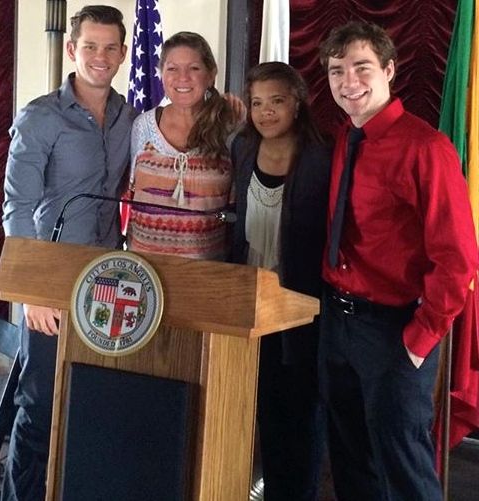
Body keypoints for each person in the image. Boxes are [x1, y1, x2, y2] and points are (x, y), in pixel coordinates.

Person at [318, 20, 478, 501]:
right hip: (337, 321)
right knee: (349, 461)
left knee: (404, 466)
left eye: (362, 68)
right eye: (336, 70)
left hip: (394, 331)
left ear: (389, 69)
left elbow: (458, 260)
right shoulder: (347, 136)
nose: (349, 83)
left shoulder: (426, 148)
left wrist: (420, 338)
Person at [1, 6, 136, 500]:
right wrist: (31, 292)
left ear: (123, 53)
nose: (100, 57)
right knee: (39, 407)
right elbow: (17, 208)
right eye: (91, 46)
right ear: (71, 49)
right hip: (50, 282)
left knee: (89, 400)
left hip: (108, 279)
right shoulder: (41, 117)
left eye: (110, 47)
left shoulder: (131, 117)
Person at [231, 62, 331, 500]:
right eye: (256, 103)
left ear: (297, 102)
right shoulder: (241, 148)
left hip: (300, 307)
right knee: (261, 410)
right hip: (248, 304)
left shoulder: (323, 154)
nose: (265, 112)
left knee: (300, 415)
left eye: (276, 101)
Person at [127, 31, 239, 260]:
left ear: (211, 75)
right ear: (161, 75)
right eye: (172, 68)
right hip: (144, 271)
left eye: (194, 68)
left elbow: (237, 206)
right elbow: (129, 190)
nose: (183, 77)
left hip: (208, 272)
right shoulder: (143, 126)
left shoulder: (230, 128)